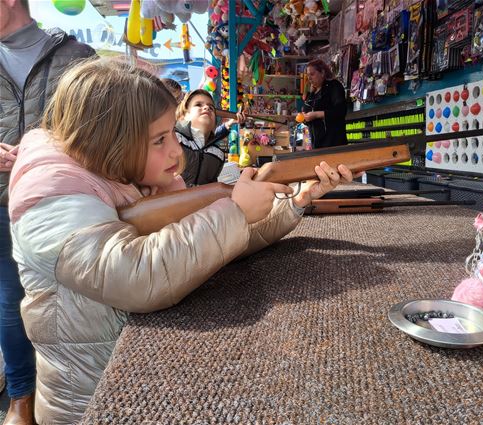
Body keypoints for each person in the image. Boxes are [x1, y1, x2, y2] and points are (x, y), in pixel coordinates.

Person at [8, 57, 355, 424]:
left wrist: (296, 200)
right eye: (159, 139)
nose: (176, 151)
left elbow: (205, 245)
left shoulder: (122, 176)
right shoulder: (50, 198)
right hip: (91, 402)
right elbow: (136, 275)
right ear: (111, 140)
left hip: (140, 383)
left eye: (172, 133)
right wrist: (234, 213)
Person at [0, 0, 95, 423]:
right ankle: (22, 395)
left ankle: (76, 390)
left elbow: (101, 127)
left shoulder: (76, 56)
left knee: (75, 297)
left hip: (64, 201)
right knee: (9, 302)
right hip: (2, 203)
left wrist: (47, 151)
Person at [175, 89, 245, 186]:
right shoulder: (173, 139)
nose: (207, 107)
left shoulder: (218, 154)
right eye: (198, 104)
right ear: (184, 115)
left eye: (211, 107)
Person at [299, 59, 347, 149]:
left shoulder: (334, 86)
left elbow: (341, 111)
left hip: (333, 142)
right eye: (308, 75)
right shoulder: (312, 93)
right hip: (317, 143)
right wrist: (305, 118)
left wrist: (317, 114)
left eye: (312, 74)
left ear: (322, 72)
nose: (309, 78)